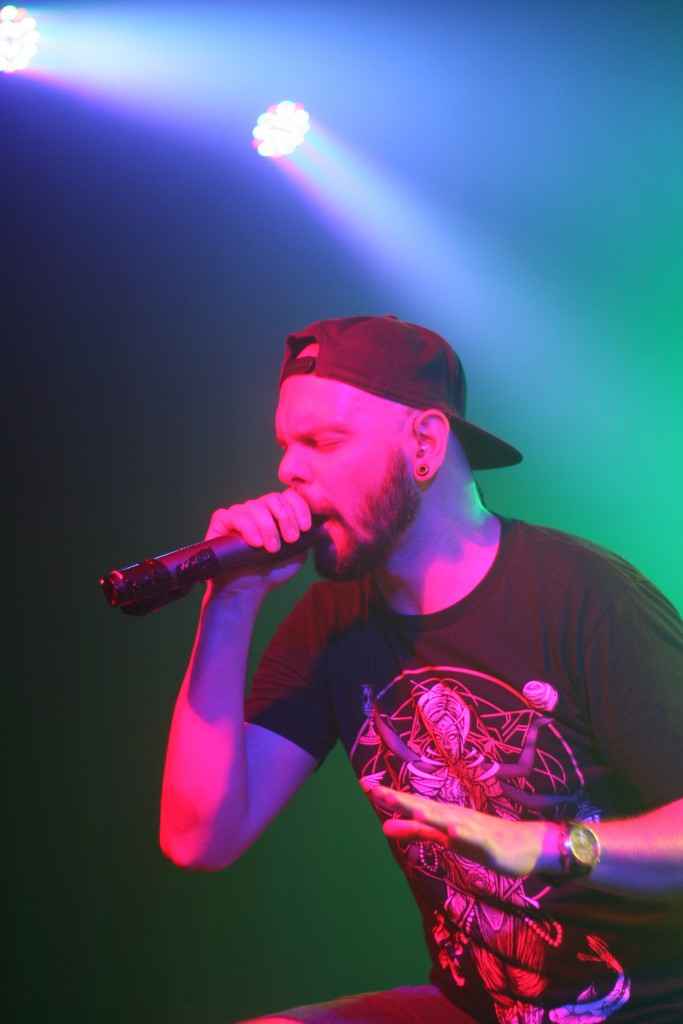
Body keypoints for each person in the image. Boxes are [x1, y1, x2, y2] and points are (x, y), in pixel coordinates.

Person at [159, 315, 683, 1024]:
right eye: (286, 446)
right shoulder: (334, 620)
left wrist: (547, 845)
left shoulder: (587, 599)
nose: (288, 471)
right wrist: (230, 603)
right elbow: (199, 838)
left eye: (323, 441)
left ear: (425, 444)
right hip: (481, 1007)